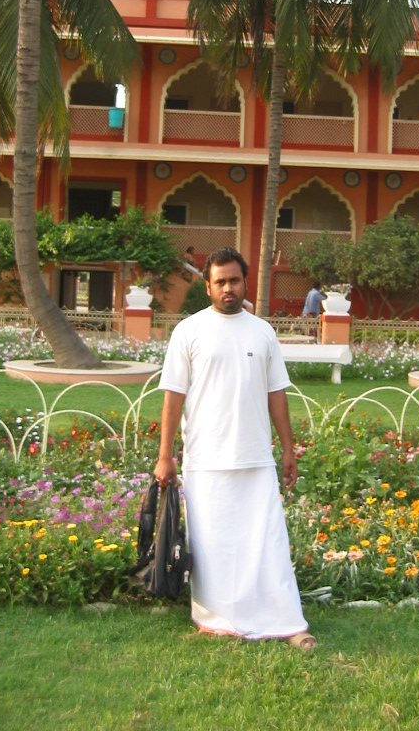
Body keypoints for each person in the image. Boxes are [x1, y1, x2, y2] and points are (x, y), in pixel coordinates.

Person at [154, 247, 316, 649]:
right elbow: (173, 397)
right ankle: (217, 620)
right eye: (220, 281)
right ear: (207, 285)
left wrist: (288, 448)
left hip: (256, 457)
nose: (228, 288)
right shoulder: (188, 331)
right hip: (205, 460)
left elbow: (276, 393)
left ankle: (287, 622)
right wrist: (165, 454)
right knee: (213, 547)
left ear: (245, 283)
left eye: (235, 280)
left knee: (268, 544)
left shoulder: (263, 332)